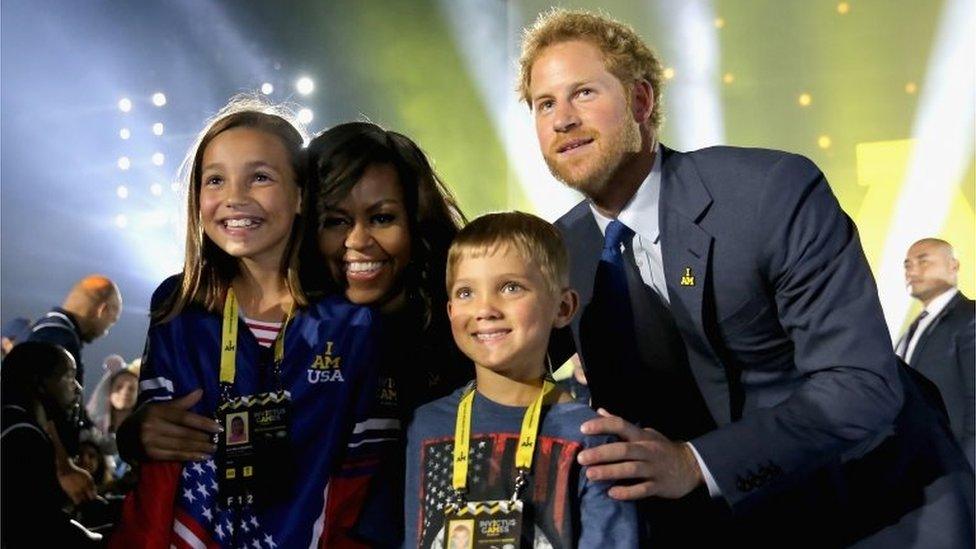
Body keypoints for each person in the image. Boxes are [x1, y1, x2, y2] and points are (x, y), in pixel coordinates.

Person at [519, 8, 973, 546]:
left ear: (641, 101)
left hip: (878, 504)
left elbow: (859, 386)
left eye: (584, 94)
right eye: (545, 104)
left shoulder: (770, 192)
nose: (562, 119)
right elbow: (498, 374)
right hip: (717, 527)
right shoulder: (555, 252)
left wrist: (696, 463)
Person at [111, 96, 383, 548]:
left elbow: (363, 483)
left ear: (300, 196)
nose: (234, 197)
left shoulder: (351, 325)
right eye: (215, 179)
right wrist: (137, 433)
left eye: (259, 177)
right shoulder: (177, 306)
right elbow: (155, 464)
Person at [405, 212, 637, 548]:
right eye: (466, 292)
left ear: (563, 307)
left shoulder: (592, 438)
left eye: (510, 287)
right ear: (450, 311)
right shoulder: (426, 425)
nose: (485, 309)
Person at [307, 122, 474, 545]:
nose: (358, 241)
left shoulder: (473, 332)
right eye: (335, 221)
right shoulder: (288, 337)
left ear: (416, 222)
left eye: (382, 218)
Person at [1, 341, 101, 547]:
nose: (78, 387)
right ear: (40, 382)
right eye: (70, 376)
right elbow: (33, 525)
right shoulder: (23, 437)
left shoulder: (14, 422)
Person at [900, 238, 975, 465]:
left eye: (923, 262)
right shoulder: (915, 327)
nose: (912, 269)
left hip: (955, 467)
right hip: (917, 464)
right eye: (907, 264)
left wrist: (968, 471)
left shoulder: (970, 317)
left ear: (954, 266)